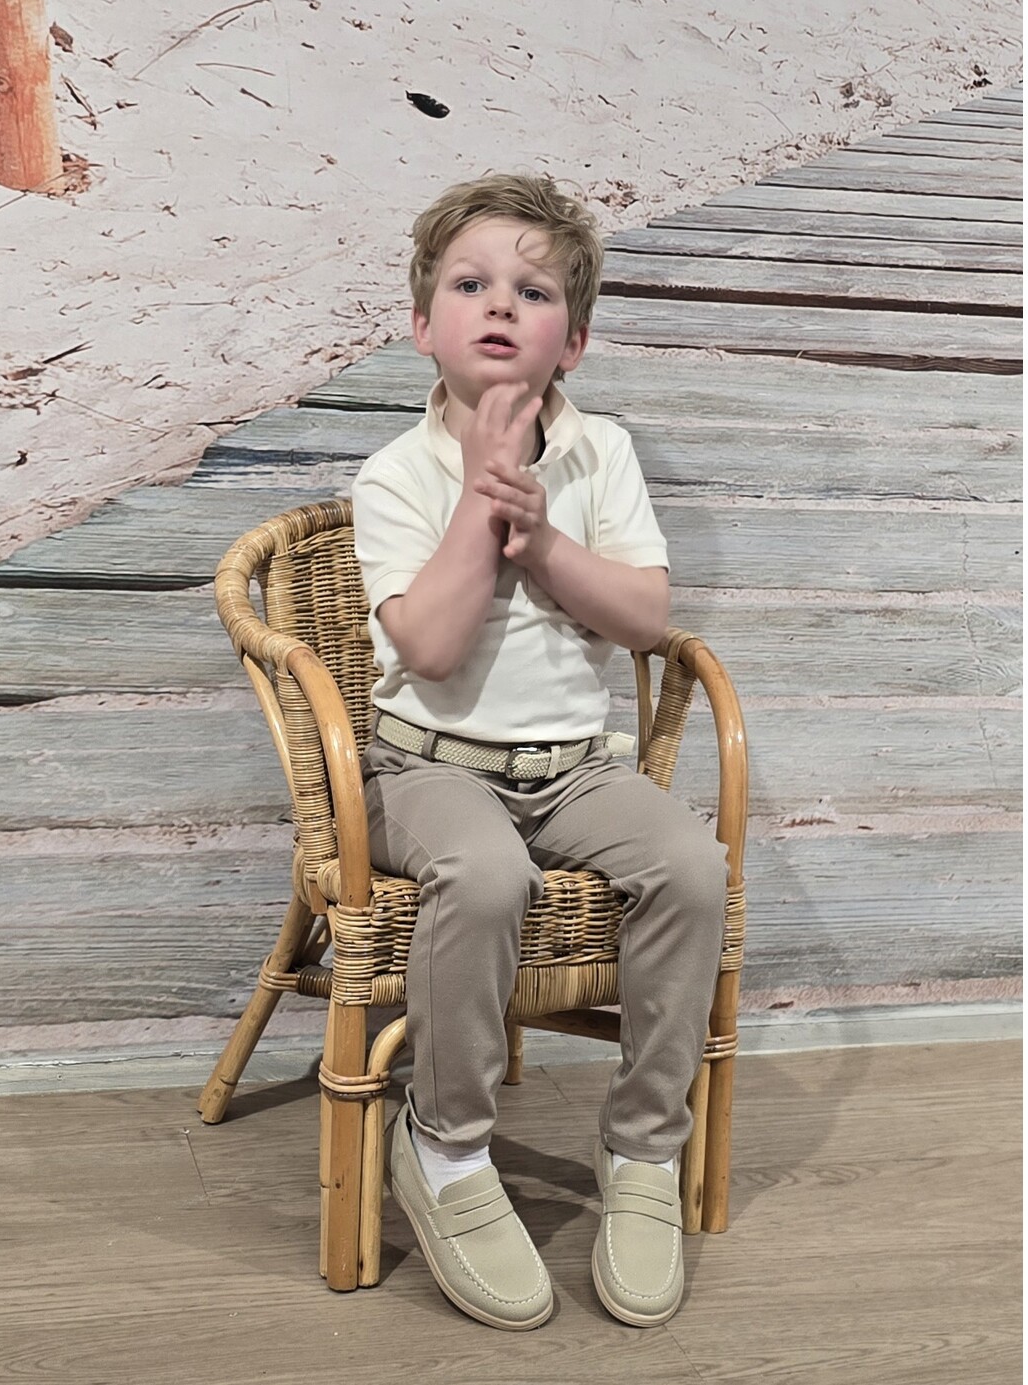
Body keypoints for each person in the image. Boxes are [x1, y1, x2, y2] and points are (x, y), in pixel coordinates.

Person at [352, 172, 728, 1331]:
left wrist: (543, 538)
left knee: (690, 867)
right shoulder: (394, 474)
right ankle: (446, 1144)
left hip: (572, 767)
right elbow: (425, 647)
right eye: (469, 285)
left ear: (573, 341)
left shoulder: (600, 453)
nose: (499, 305)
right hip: (423, 766)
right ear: (423, 325)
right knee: (484, 874)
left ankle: (642, 1147)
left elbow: (644, 620)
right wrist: (482, 498)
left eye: (533, 291)